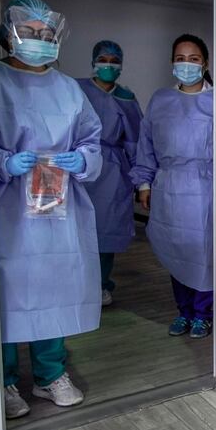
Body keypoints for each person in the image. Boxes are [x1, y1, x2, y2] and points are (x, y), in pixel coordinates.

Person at [0, 0, 103, 420]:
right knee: (6, 289)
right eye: (30, 33)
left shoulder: (68, 87)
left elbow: (92, 140)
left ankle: (49, 374)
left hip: (57, 201)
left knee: (53, 284)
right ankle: (1, 381)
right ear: (9, 35)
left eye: (46, 34)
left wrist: (85, 159)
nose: (40, 40)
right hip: (7, 206)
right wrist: (1, 161)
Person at [131, 34, 215, 338]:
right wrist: (143, 183)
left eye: (194, 59)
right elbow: (146, 144)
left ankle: (204, 313)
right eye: (180, 59)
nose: (187, 65)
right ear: (172, 63)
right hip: (168, 186)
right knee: (177, 250)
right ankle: (184, 311)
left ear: (205, 63)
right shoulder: (161, 100)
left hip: (207, 187)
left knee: (203, 252)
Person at [76, 40, 143, 307]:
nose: (109, 65)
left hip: (112, 170)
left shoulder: (126, 98)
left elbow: (136, 141)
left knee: (106, 230)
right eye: (103, 59)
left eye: (114, 61)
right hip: (79, 166)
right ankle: (78, 285)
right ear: (94, 61)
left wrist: (141, 181)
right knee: (79, 230)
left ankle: (102, 285)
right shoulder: (77, 90)